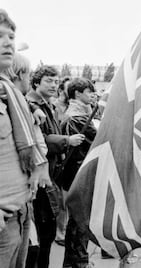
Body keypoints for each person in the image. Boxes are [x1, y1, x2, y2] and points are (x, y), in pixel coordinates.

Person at [0, 9, 49, 268]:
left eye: (11, 35)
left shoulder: (11, 97)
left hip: (19, 211)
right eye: (0, 36)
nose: (8, 42)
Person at [26, 65, 85, 268]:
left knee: (47, 233)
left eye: (55, 81)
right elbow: (38, 140)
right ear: (35, 82)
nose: (54, 85)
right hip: (39, 177)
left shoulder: (46, 104)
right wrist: (66, 140)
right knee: (42, 234)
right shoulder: (31, 104)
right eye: (48, 81)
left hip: (49, 175)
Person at [60, 78, 96, 267]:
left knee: (78, 221)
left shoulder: (77, 114)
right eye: (89, 91)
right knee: (81, 222)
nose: (92, 94)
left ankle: (74, 262)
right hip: (79, 175)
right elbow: (97, 141)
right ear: (77, 94)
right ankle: (79, 262)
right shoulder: (78, 118)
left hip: (74, 174)